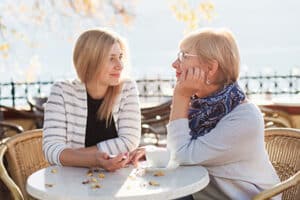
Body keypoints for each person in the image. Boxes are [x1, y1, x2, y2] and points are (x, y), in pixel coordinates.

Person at [130, 28, 280, 200]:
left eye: (183, 56)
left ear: (210, 68)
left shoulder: (244, 118)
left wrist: (180, 96)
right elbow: (186, 151)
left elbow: (181, 156)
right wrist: (153, 152)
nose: (174, 64)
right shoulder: (200, 107)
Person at [43, 28, 141, 172]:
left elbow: (129, 141)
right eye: (111, 58)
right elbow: (51, 149)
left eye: (120, 57)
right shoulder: (62, 91)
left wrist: (71, 156)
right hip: (70, 181)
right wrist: (94, 159)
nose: (120, 65)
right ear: (90, 61)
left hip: (118, 178)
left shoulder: (127, 88)